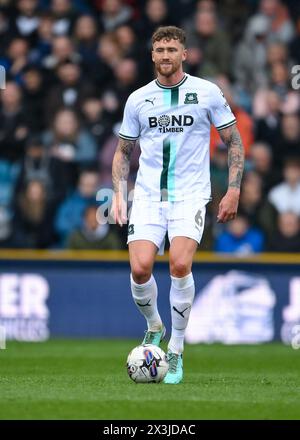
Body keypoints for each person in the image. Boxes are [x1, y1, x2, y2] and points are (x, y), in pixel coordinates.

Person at [111, 26, 245, 384]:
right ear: (152, 56)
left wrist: (233, 190)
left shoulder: (207, 92)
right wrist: (118, 193)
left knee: (179, 263)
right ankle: (155, 326)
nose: (166, 55)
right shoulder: (138, 99)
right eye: (160, 50)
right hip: (149, 196)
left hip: (190, 194)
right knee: (140, 269)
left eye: (172, 49)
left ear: (184, 54)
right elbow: (123, 151)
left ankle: (177, 348)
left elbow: (234, 141)